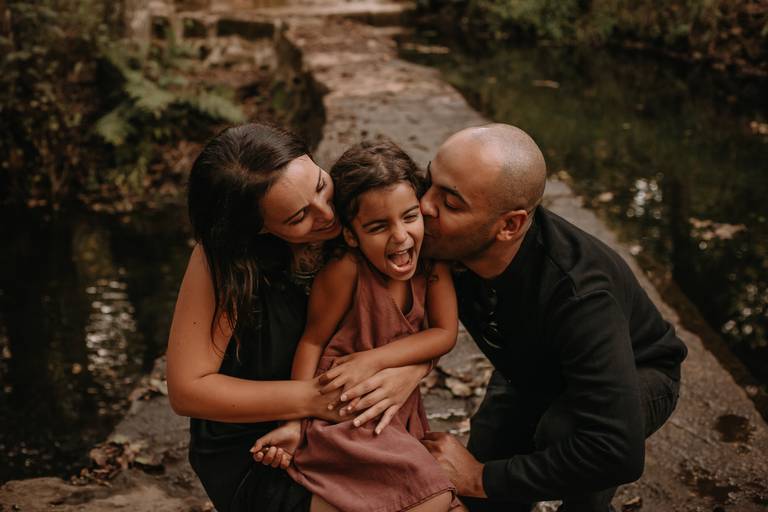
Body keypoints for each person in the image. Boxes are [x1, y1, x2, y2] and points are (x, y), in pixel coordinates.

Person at [166, 123, 436, 512]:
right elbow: (187, 390)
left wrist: (411, 369)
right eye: (297, 219)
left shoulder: (365, 209)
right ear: (258, 228)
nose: (327, 215)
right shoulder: (222, 261)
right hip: (262, 446)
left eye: (320, 186)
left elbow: (415, 317)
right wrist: (313, 399)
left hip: (346, 423)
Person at [418, 124, 688, 512]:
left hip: (637, 372)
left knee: (564, 434)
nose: (424, 206)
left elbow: (617, 451)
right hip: (533, 367)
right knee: (485, 474)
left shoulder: (580, 293)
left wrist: (480, 478)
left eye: (451, 203)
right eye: (429, 181)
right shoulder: (442, 231)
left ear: (509, 225)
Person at [251, 140, 462, 512]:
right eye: (379, 226)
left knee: (428, 496)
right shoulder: (346, 271)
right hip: (344, 412)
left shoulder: (432, 267)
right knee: (436, 496)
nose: (400, 236)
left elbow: (444, 334)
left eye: (409, 217)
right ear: (352, 235)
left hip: (391, 408)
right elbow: (311, 343)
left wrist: (374, 360)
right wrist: (293, 424)